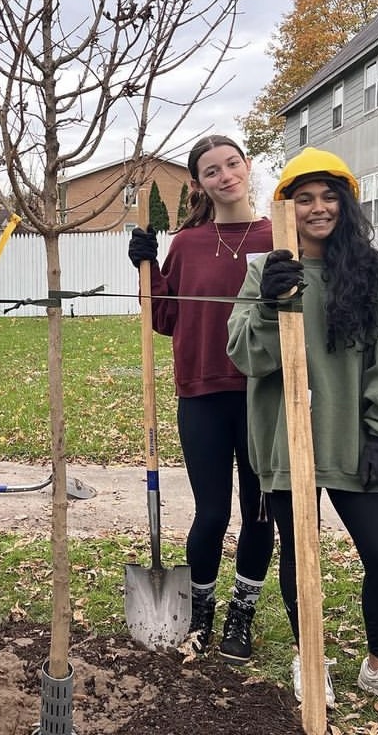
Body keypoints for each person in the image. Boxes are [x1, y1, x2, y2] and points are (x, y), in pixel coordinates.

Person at [227, 147, 378, 716]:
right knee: (301, 557)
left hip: (356, 436)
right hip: (285, 438)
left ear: (347, 204)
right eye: (304, 199)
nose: (318, 208)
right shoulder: (264, 271)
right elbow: (246, 355)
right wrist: (273, 304)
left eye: (329, 197)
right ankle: (310, 656)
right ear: (287, 208)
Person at [126, 135, 275, 660]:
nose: (225, 175)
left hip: (265, 396)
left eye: (232, 164)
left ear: (247, 167)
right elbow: (165, 319)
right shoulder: (188, 243)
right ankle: (203, 606)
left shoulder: (280, 235)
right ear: (198, 183)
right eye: (212, 170)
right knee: (211, 513)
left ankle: (244, 611)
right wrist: (147, 268)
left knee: (259, 512)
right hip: (202, 391)